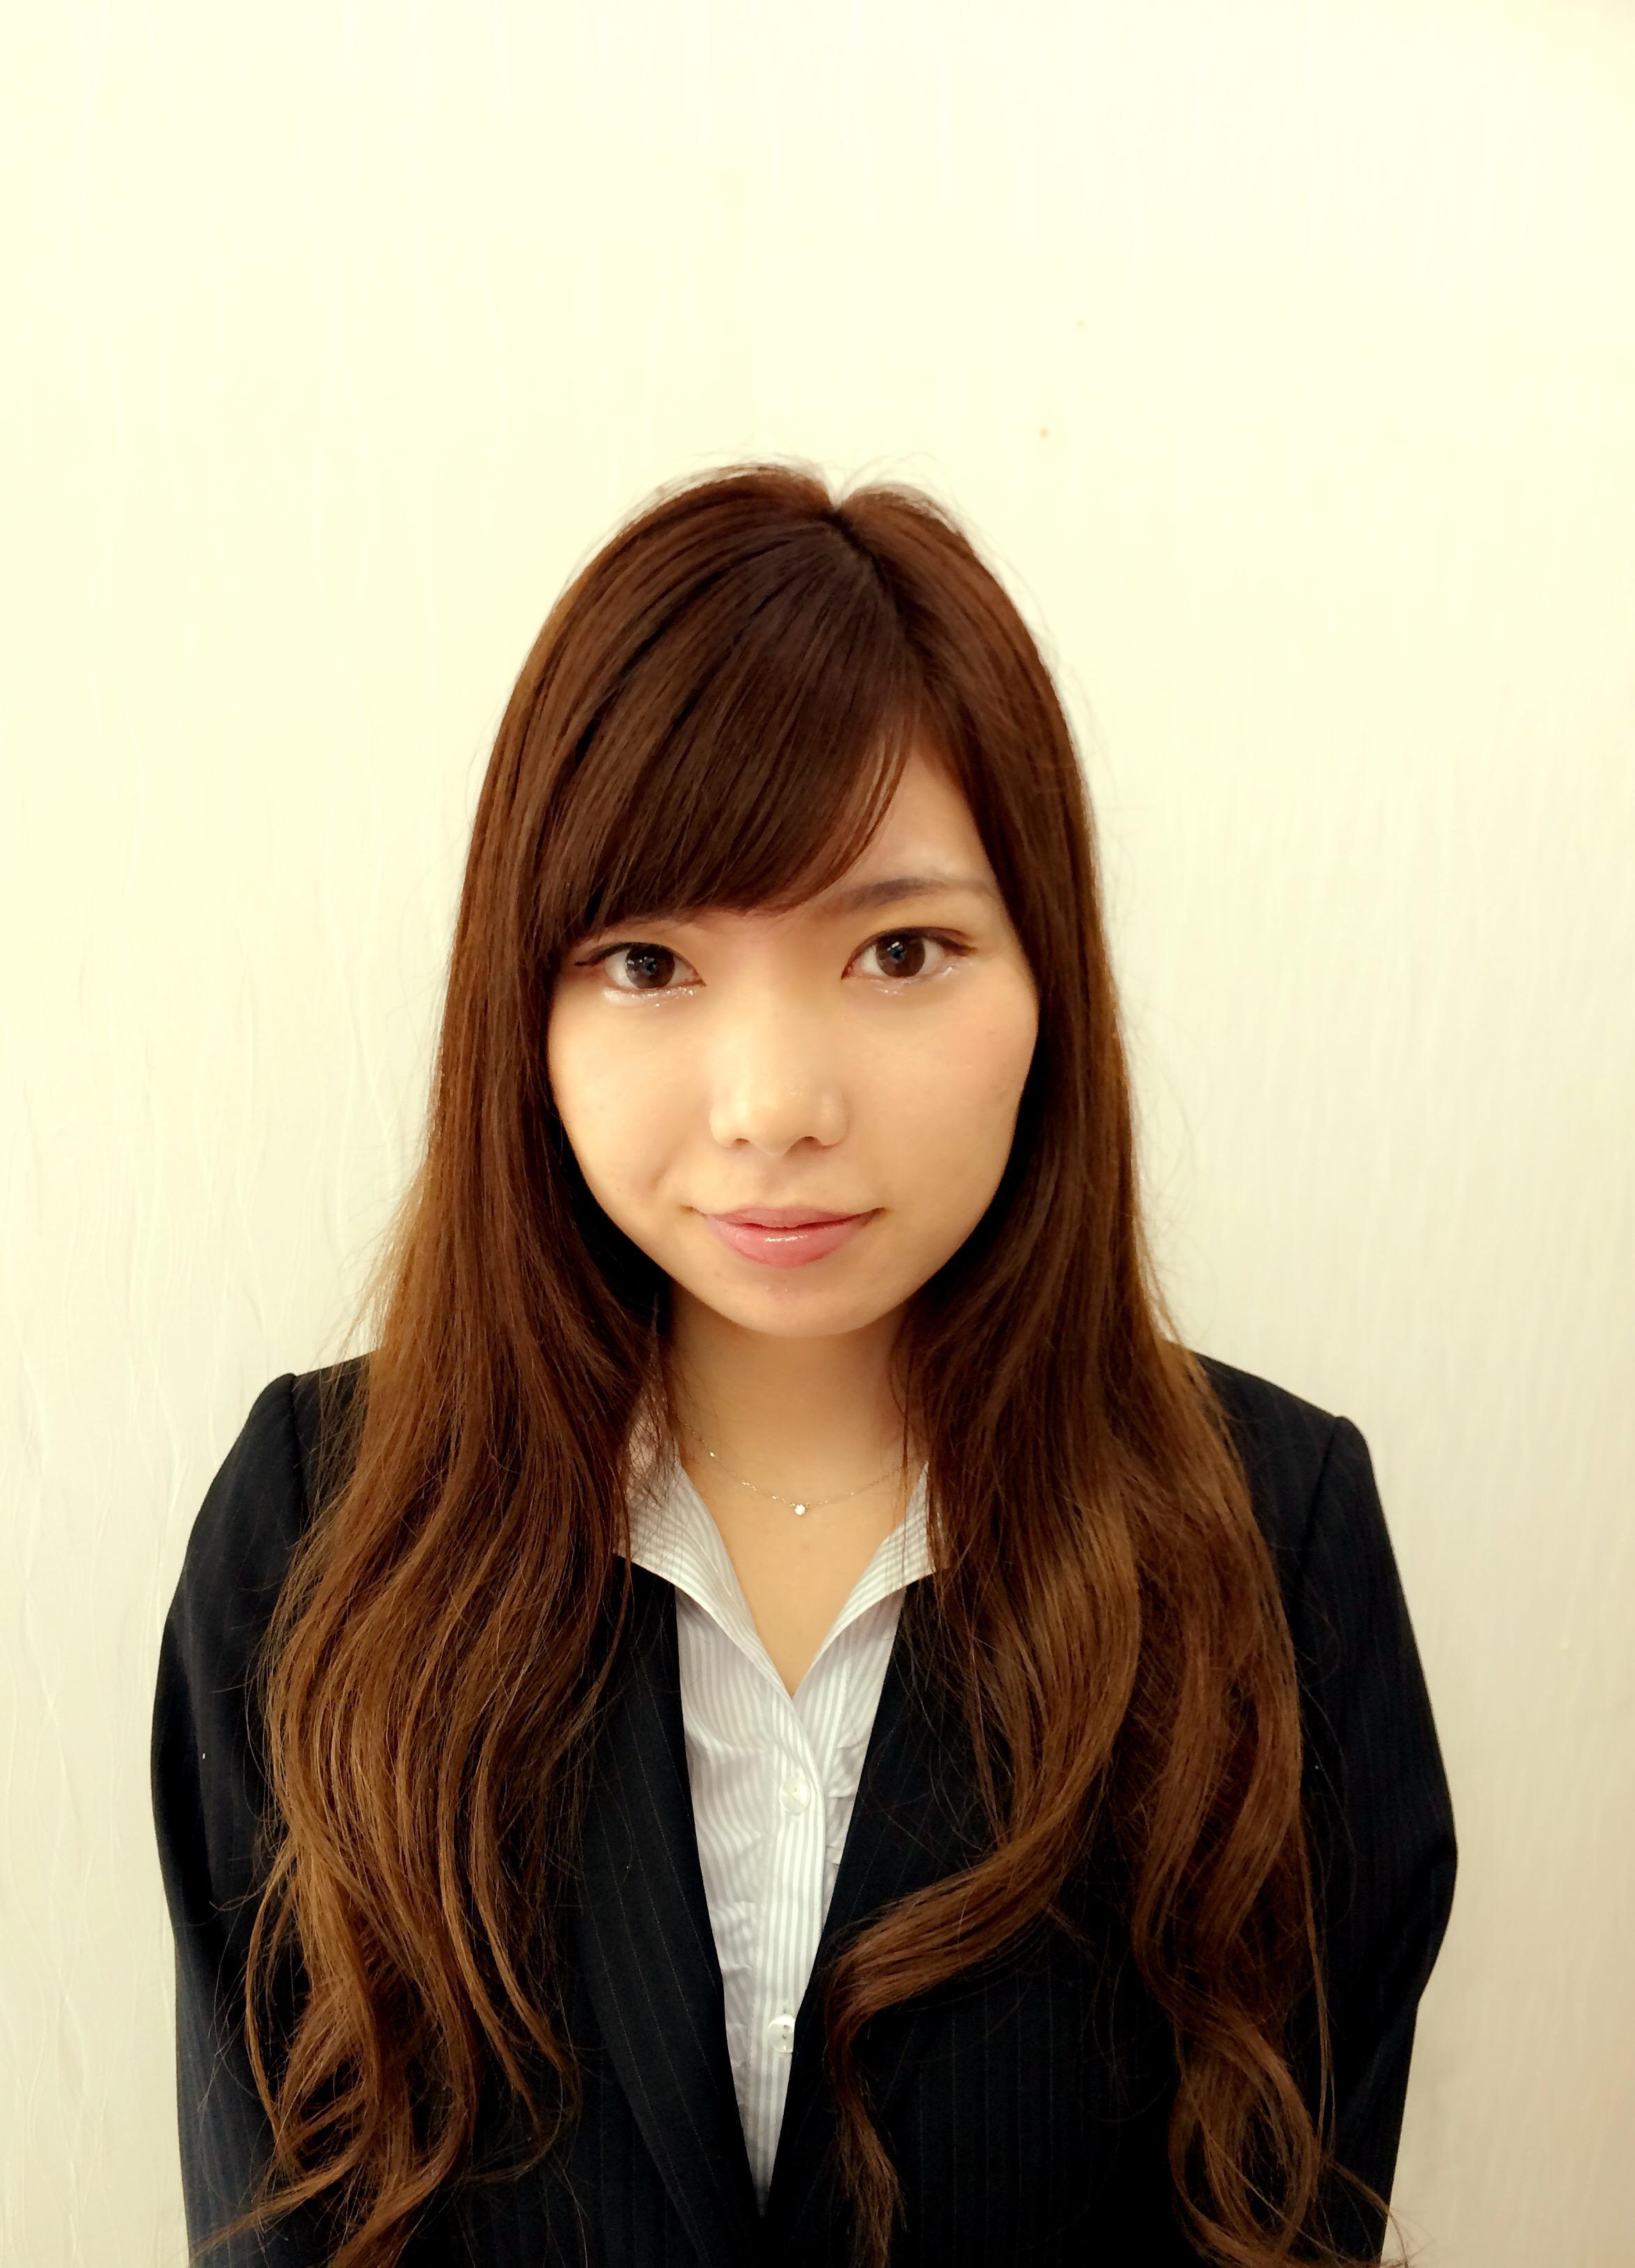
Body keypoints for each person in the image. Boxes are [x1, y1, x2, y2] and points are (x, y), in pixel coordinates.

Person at [151, 461, 1456, 2268]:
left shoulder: (1277, 1541)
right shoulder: (319, 1529)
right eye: (649, 962)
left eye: (900, 951)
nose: (775, 1106)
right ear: (523, 1011)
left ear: (1050, 983)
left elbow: (1292, 2220)